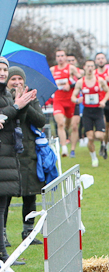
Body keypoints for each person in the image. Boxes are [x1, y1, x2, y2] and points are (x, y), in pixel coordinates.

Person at [0, 56, 37, 272]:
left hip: (8, 155)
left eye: (5, 69)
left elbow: (13, 119)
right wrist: (14, 106)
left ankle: (3, 258)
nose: (3, 73)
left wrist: (21, 104)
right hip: (2, 155)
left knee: (2, 206)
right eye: (0, 69)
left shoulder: (6, 94)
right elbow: (4, 115)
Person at [3, 66, 47, 248]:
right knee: (6, 196)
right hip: (8, 152)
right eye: (13, 79)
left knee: (30, 195)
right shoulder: (4, 98)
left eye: (20, 79)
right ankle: (2, 235)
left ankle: (28, 232)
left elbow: (41, 121)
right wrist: (16, 105)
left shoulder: (31, 98)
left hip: (28, 152)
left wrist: (25, 104)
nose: (17, 82)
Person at [71, 60, 109, 167]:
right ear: (84, 67)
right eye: (88, 66)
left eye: (91, 66)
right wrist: (77, 100)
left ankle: (103, 144)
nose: (89, 68)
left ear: (94, 68)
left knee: (99, 135)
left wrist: (103, 101)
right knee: (90, 137)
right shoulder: (80, 82)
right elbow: (73, 96)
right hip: (87, 112)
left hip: (98, 111)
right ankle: (94, 158)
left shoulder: (99, 80)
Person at [50, 49, 80, 157]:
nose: (60, 58)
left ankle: (70, 142)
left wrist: (70, 85)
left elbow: (81, 80)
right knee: (60, 123)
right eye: (58, 56)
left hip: (70, 100)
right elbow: (48, 82)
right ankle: (64, 148)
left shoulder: (71, 68)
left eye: (62, 55)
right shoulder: (53, 70)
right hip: (58, 100)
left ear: (65, 57)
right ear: (56, 58)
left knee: (69, 125)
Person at [66, 53, 83, 157]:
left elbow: (84, 81)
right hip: (64, 102)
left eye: (72, 60)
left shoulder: (80, 73)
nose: (71, 62)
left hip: (75, 102)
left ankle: (72, 150)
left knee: (75, 126)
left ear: (75, 61)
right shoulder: (63, 73)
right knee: (66, 125)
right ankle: (66, 138)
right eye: (69, 61)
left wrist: (71, 85)